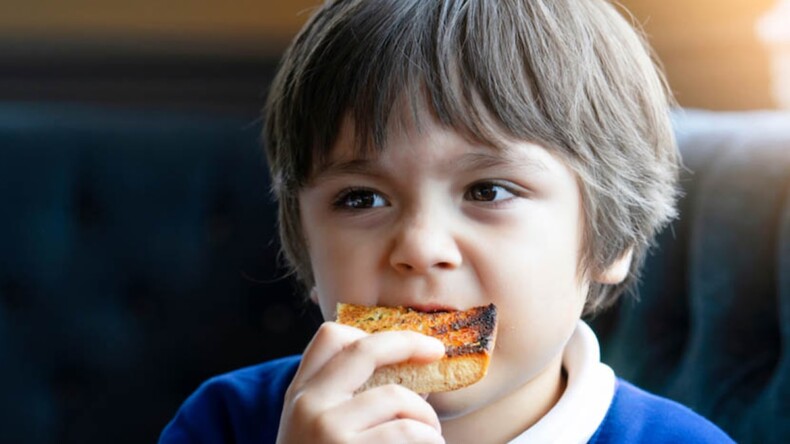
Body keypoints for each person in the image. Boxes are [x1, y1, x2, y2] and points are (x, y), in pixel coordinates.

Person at [160, 0, 735, 442]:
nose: (419, 246)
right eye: (361, 198)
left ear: (611, 240)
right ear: (308, 249)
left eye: (488, 190)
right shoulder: (226, 421)